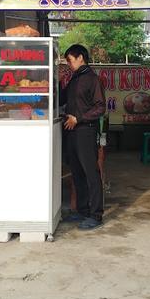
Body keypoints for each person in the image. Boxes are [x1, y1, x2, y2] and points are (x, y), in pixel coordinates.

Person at [60, 44, 106, 230]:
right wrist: (57, 81)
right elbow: (62, 99)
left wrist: (78, 118)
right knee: (77, 172)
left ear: (80, 58)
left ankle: (96, 215)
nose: (68, 64)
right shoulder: (74, 79)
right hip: (72, 131)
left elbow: (100, 107)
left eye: (70, 60)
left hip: (85, 131)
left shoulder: (92, 79)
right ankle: (83, 210)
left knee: (91, 173)